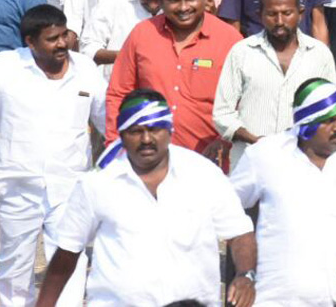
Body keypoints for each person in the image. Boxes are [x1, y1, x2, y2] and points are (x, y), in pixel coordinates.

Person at [36, 88, 256, 307]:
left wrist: (246, 275)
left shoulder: (203, 174)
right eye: (136, 131)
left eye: (155, 129)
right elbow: (67, 254)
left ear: (170, 131)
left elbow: (240, 234)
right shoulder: (98, 182)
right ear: (121, 135)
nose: (146, 139)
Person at [229, 79, 336, 305]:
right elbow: (227, 210)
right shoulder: (265, 156)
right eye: (328, 121)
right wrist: (244, 271)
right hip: (279, 299)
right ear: (306, 125)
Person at [0, 5, 107, 307]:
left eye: (64, 35)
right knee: (15, 268)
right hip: (17, 185)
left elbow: (108, 120)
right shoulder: (2, 69)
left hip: (70, 186)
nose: (63, 43)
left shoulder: (86, 70)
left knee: (70, 263)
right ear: (30, 42)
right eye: (52, 39)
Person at [105, 0, 242, 157]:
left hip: (210, 164)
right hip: (147, 160)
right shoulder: (142, 35)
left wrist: (225, 142)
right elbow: (118, 94)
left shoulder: (230, 41)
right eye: (174, 0)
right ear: (160, 0)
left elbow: (246, 103)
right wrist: (115, 145)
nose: (184, 7)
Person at [213, 0, 336, 167]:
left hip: (302, 165)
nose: (279, 21)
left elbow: (329, 113)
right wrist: (252, 139)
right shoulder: (242, 52)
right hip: (251, 163)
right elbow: (222, 113)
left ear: (300, 13)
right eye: (272, 14)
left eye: (287, 13)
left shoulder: (320, 55)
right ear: (259, 15)